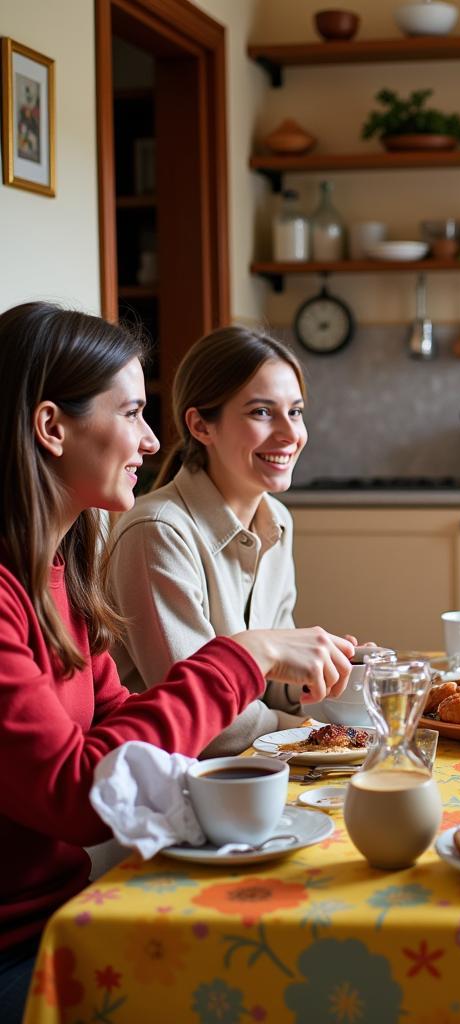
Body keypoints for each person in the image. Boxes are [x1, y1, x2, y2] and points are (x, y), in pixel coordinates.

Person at [0, 302, 354, 1021]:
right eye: (131, 413)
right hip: (23, 949)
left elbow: (119, 728)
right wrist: (241, 660)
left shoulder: (61, 575)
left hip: (76, 910)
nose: (149, 438)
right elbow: (77, 795)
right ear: (50, 428)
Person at [106, 326, 316, 755]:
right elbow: (206, 719)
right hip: (168, 781)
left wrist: (320, 675)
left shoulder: (276, 520)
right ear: (201, 425)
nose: (290, 433)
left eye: (295, 412)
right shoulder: (157, 533)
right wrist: (302, 728)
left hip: (248, 766)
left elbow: (272, 683)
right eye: (261, 412)